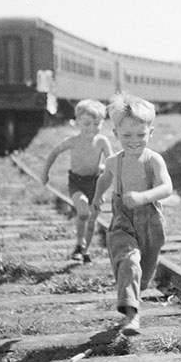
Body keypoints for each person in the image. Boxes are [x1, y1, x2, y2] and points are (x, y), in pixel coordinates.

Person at [88, 93, 173, 336]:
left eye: (140, 135)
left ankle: (134, 294)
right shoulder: (115, 161)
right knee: (129, 261)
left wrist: (143, 197)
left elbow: (167, 188)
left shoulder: (153, 160)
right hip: (122, 220)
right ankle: (131, 317)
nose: (134, 141)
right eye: (126, 135)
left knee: (143, 275)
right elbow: (104, 179)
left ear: (151, 133)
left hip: (150, 221)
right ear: (116, 135)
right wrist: (97, 198)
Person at [41, 99, 112, 262]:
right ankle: (79, 244)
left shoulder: (102, 141)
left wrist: (105, 180)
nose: (92, 128)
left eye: (97, 124)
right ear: (78, 122)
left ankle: (85, 251)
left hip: (95, 183)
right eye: (87, 124)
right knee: (83, 212)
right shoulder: (73, 141)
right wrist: (45, 173)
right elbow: (54, 153)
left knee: (93, 218)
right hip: (77, 182)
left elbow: (112, 162)